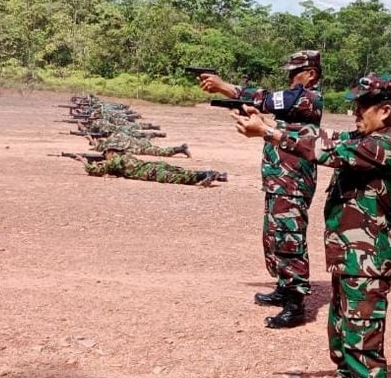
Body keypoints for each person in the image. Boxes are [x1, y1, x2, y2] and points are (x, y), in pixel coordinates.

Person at [232, 73, 391, 378]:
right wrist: (270, 125)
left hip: (368, 261)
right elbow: (328, 139)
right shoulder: (363, 139)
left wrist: (270, 134)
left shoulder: (386, 145)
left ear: (385, 110)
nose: (355, 112)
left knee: (363, 341)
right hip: (350, 257)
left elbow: (324, 150)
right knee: (341, 333)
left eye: (362, 107)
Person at [200, 51, 323, 328]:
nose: (291, 77)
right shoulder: (297, 101)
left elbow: (266, 99)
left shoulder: (308, 97)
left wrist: (225, 87)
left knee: (289, 238)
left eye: (296, 72)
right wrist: (258, 119)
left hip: (292, 181)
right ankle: (284, 286)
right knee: (275, 236)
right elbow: (276, 119)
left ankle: (296, 303)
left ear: (311, 74)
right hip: (280, 179)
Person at [79, 149, 226, 186]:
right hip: (154, 166)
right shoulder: (125, 157)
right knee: (182, 172)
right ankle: (215, 174)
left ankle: (207, 175)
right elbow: (112, 170)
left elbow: (96, 171)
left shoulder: (116, 158)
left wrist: (84, 162)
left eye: (106, 155)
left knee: (178, 178)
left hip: (151, 171)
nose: (106, 158)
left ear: (111, 152)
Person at [90, 133, 190, 158]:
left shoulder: (110, 142)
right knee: (158, 150)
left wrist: (93, 142)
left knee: (159, 151)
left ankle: (180, 149)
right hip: (136, 144)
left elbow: (99, 148)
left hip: (137, 147)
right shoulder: (114, 138)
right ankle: (180, 149)